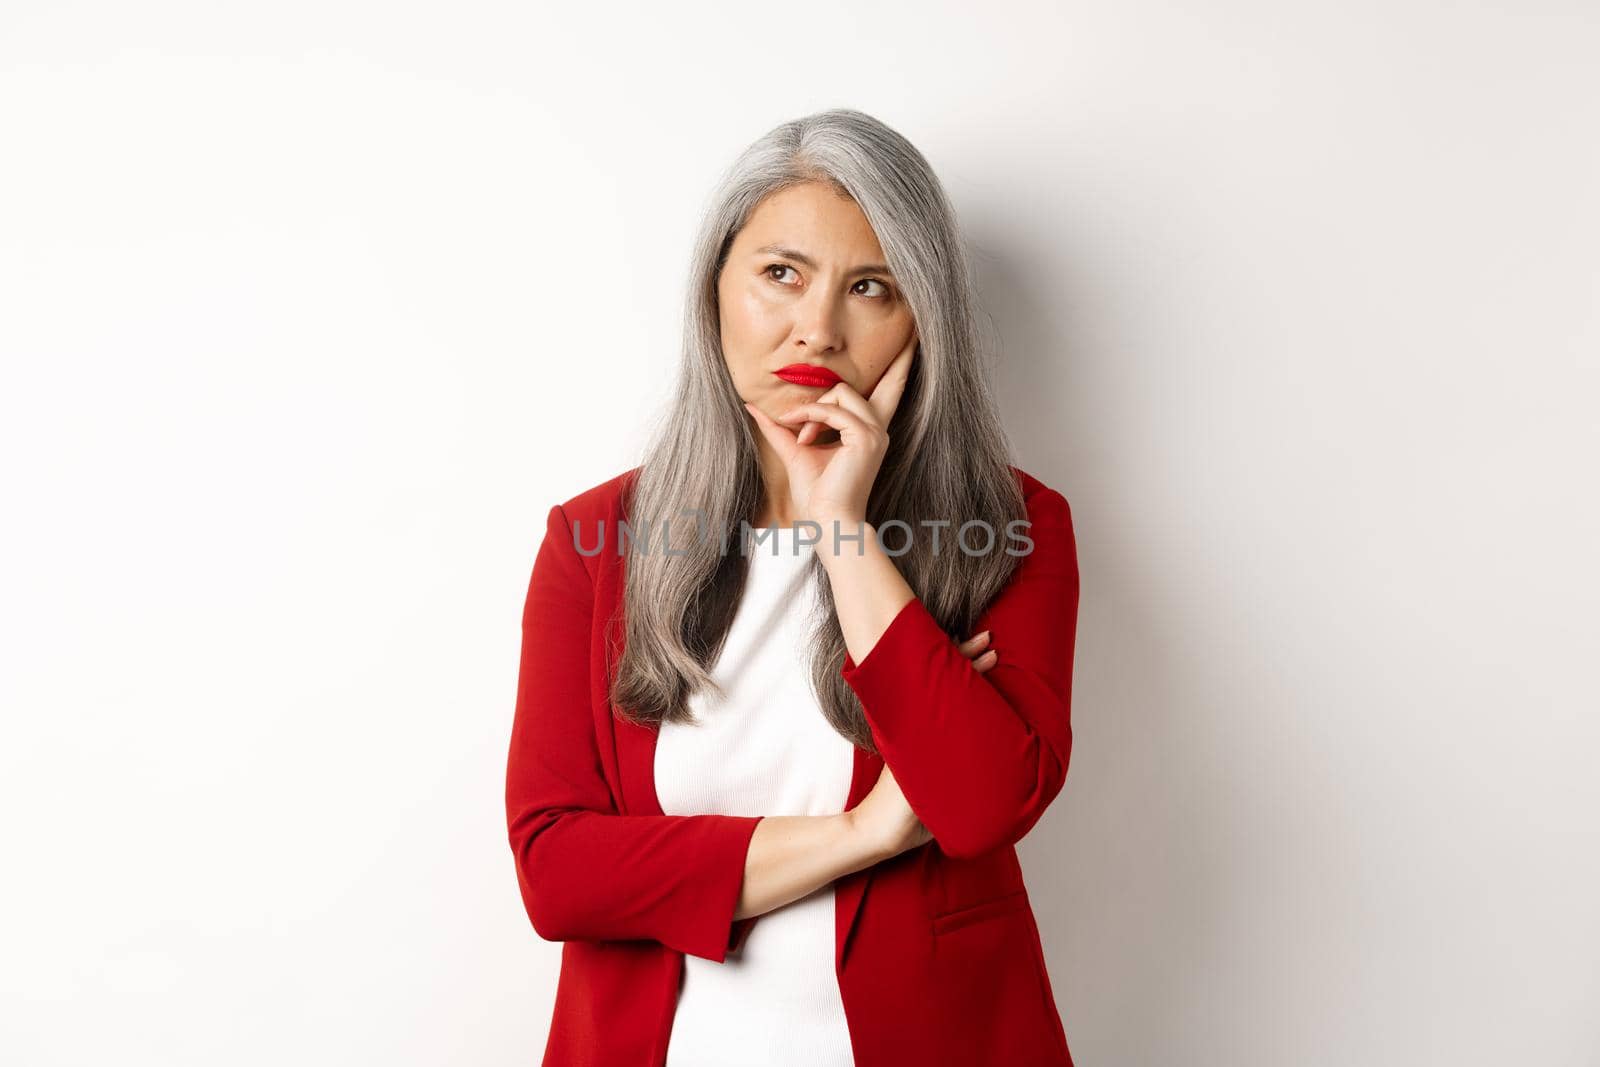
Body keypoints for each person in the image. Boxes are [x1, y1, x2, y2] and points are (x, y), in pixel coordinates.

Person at [505, 107, 1081, 1067]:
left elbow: (982, 805)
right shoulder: (595, 543)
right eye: (782, 274)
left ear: (920, 319)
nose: (819, 326)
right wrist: (869, 830)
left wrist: (844, 529)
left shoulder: (1012, 526)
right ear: (715, 290)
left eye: (872, 287)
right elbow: (557, 875)